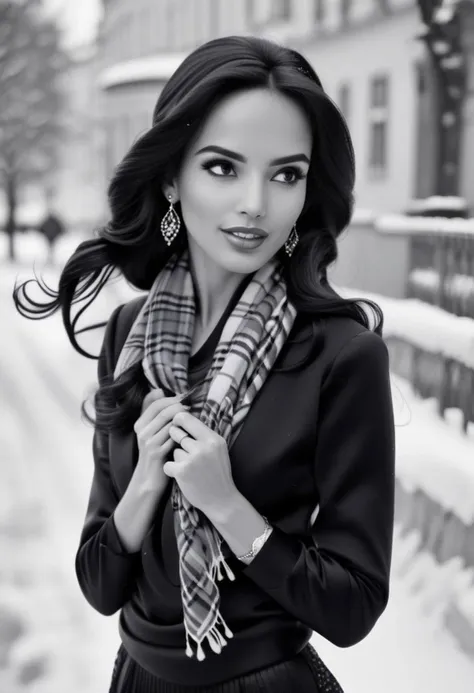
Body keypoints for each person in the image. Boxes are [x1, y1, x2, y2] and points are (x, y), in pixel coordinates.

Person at [12, 35, 395, 692]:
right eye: (223, 167)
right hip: (137, 678)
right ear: (170, 176)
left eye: (286, 174)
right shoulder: (131, 334)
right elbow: (100, 583)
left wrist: (227, 506)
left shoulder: (340, 354)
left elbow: (353, 603)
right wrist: (142, 488)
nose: (255, 203)